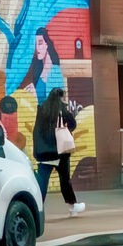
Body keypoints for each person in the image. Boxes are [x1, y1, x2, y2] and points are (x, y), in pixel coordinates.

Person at [33, 88, 85, 217]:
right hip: (60, 152)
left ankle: (36, 209)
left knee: (42, 183)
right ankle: (73, 207)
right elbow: (73, 124)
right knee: (65, 180)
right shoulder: (62, 110)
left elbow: (37, 130)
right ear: (61, 97)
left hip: (44, 152)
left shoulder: (42, 109)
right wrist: (65, 127)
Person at [19, 27, 64, 104]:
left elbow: (55, 103)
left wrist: (35, 96)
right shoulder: (38, 68)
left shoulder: (55, 71)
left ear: (47, 44)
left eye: (40, 43)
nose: (37, 48)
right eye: (35, 44)